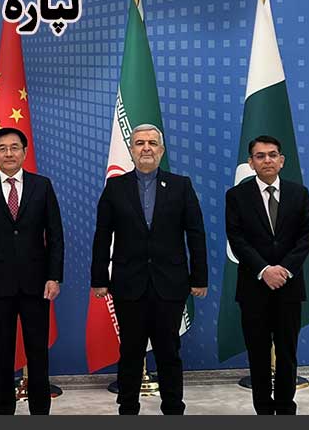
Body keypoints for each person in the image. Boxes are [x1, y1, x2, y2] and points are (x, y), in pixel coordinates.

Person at [91, 123, 208, 415]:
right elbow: (102, 235)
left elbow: (196, 234)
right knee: (130, 352)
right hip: (128, 285)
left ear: (162, 150)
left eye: (152, 143)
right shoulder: (115, 187)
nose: (146, 148)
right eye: (140, 143)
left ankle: (173, 408)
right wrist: (99, 279)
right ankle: (128, 408)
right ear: (131, 150)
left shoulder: (181, 185)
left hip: (170, 284)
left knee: (169, 352)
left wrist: (199, 278)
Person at [0, 127, 64, 415]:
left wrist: (54, 276)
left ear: (24, 151)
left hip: (37, 284)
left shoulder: (42, 186)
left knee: (38, 355)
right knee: (2, 355)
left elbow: (55, 236)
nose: (9, 153)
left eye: (14, 147)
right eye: (2, 148)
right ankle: (3, 411)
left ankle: (40, 412)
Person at [225, 135, 309, 415]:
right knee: (258, 354)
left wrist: (284, 270)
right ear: (251, 162)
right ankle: (263, 411)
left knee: (287, 353)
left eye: (272, 155)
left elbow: (307, 236)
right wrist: (264, 270)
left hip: (289, 287)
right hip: (254, 288)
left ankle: (286, 410)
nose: (267, 160)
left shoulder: (299, 193)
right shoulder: (236, 196)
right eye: (260, 156)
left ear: (282, 160)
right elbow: (237, 239)